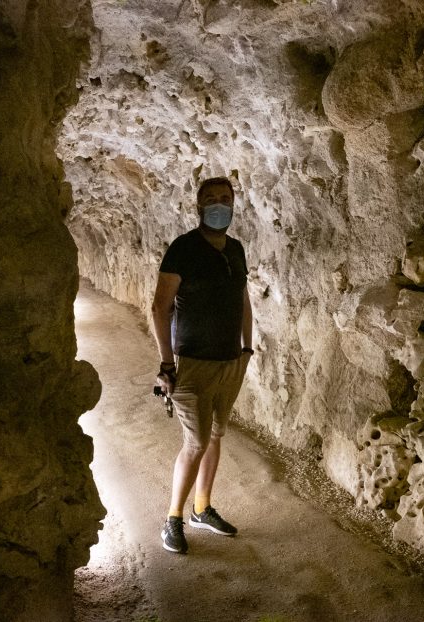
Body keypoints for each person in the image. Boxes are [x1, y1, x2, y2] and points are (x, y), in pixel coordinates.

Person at [151, 176, 254, 555]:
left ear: (233, 203)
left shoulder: (236, 250)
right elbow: (160, 307)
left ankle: (201, 508)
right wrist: (166, 362)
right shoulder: (183, 249)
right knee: (195, 442)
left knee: (215, 436)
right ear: (198, 206)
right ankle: (172, 518)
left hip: (230, 361)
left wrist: (247, 349)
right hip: (193, 362)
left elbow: (243, 299)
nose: (218, 204)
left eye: (224, 199)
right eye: (210, 199)